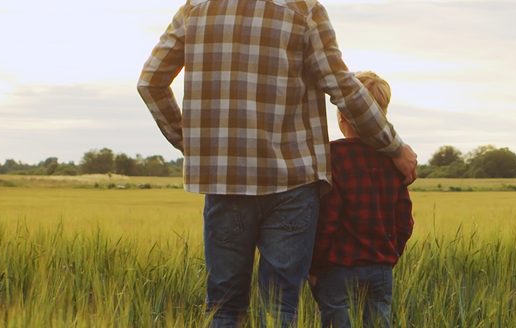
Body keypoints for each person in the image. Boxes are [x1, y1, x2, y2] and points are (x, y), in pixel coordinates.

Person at [138, 1, 417, 327]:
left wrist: (193, 145)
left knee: (224, 308)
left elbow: (151, 81)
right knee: (280, 309)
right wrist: (394, 147)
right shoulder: (303, 9)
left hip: (225, 182)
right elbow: (341, 86)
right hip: (292, 186)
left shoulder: (196, 9)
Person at [309, 71, 414, 328]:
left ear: (343, 115)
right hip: (381, 268)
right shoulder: (394, 160)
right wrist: (389, 255)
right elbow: (404, 222)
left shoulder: (333, 156)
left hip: (337, 267)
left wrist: (314, 265)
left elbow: (328, 220)